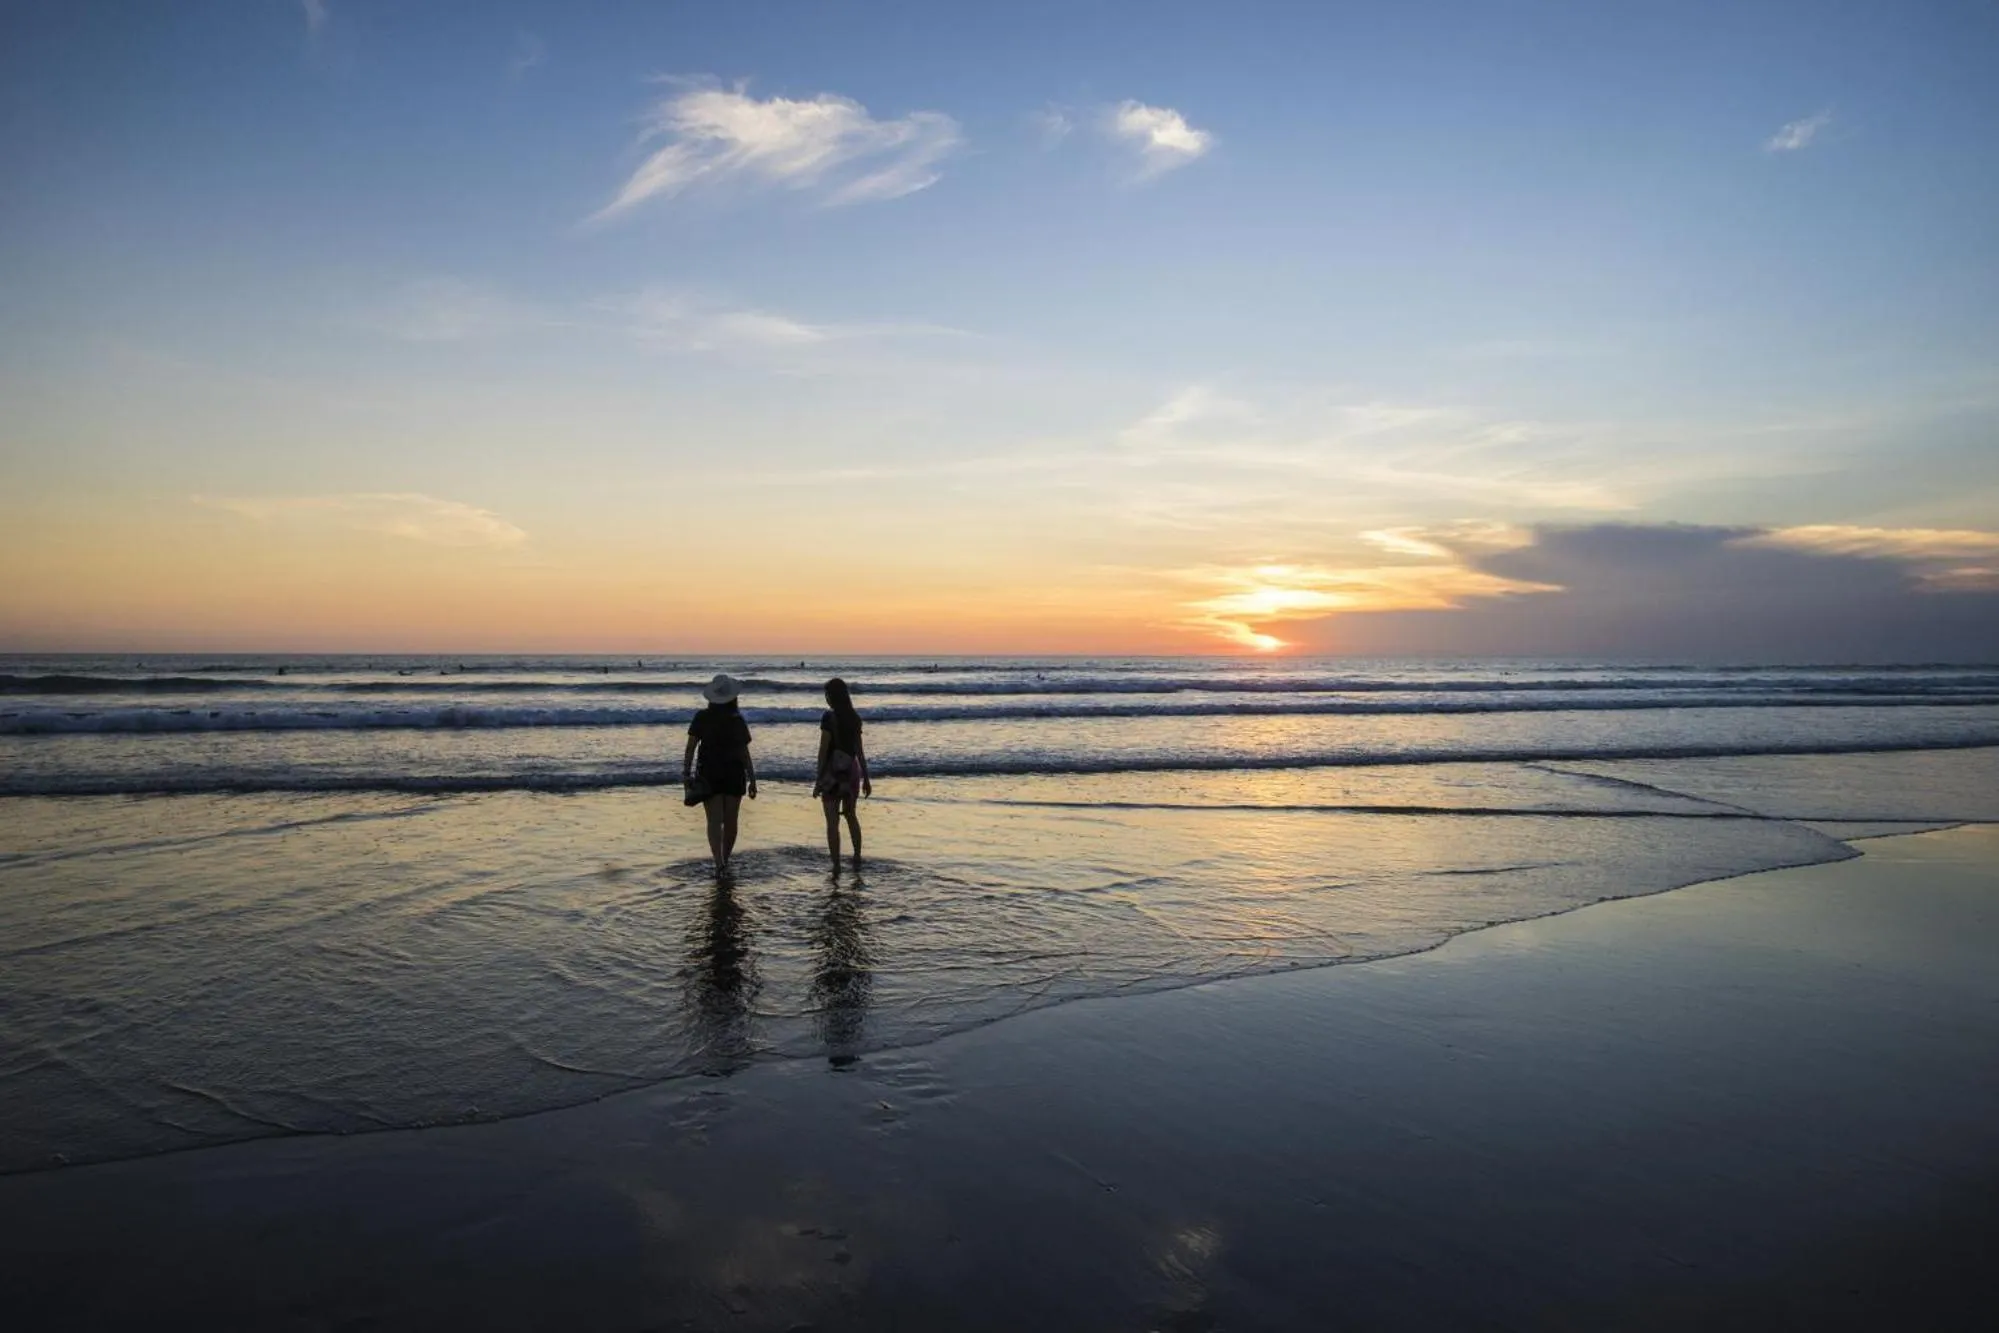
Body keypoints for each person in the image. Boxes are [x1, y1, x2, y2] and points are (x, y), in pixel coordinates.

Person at [684, 674, 756, 873]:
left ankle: (718, 862)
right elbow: (744, 751)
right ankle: (726, 857)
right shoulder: (737, 720)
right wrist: (752, 778)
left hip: (710, 772)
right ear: (733, 698)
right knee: (731, 820)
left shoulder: (702, 717)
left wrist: (686, 773)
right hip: (734, 772)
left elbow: (690, 747)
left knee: (714, 820)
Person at [813, 677, 870, 866]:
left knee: (832, 822)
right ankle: (857, 856)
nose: (826, 698)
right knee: (851, 815)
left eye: (826, 694)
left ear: (831, 696)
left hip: (832, 773)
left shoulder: (828, 718)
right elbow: (860, 752)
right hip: (852, 771)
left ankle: (836, 864)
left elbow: (823, 751)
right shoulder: (854, 718)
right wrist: (866, 778)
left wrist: (818, 779)